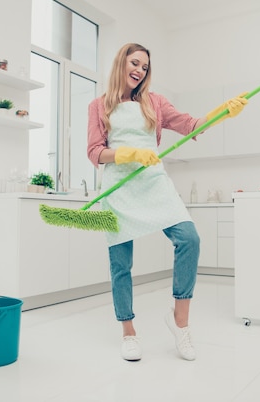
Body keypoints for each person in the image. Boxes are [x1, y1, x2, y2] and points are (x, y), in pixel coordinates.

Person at [87, 43, 247, 361]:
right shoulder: (98, 105)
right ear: (121, 64)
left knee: (189, 238)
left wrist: (222, 112)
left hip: (154, 183)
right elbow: (94, 151)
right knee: (121, 265)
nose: (139, 71)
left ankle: (180, 323)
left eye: (145, 67)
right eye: (134, 63)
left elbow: (191, 125)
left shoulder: (155, 102)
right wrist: (127, 153)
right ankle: (129, 332)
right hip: (118, 188)